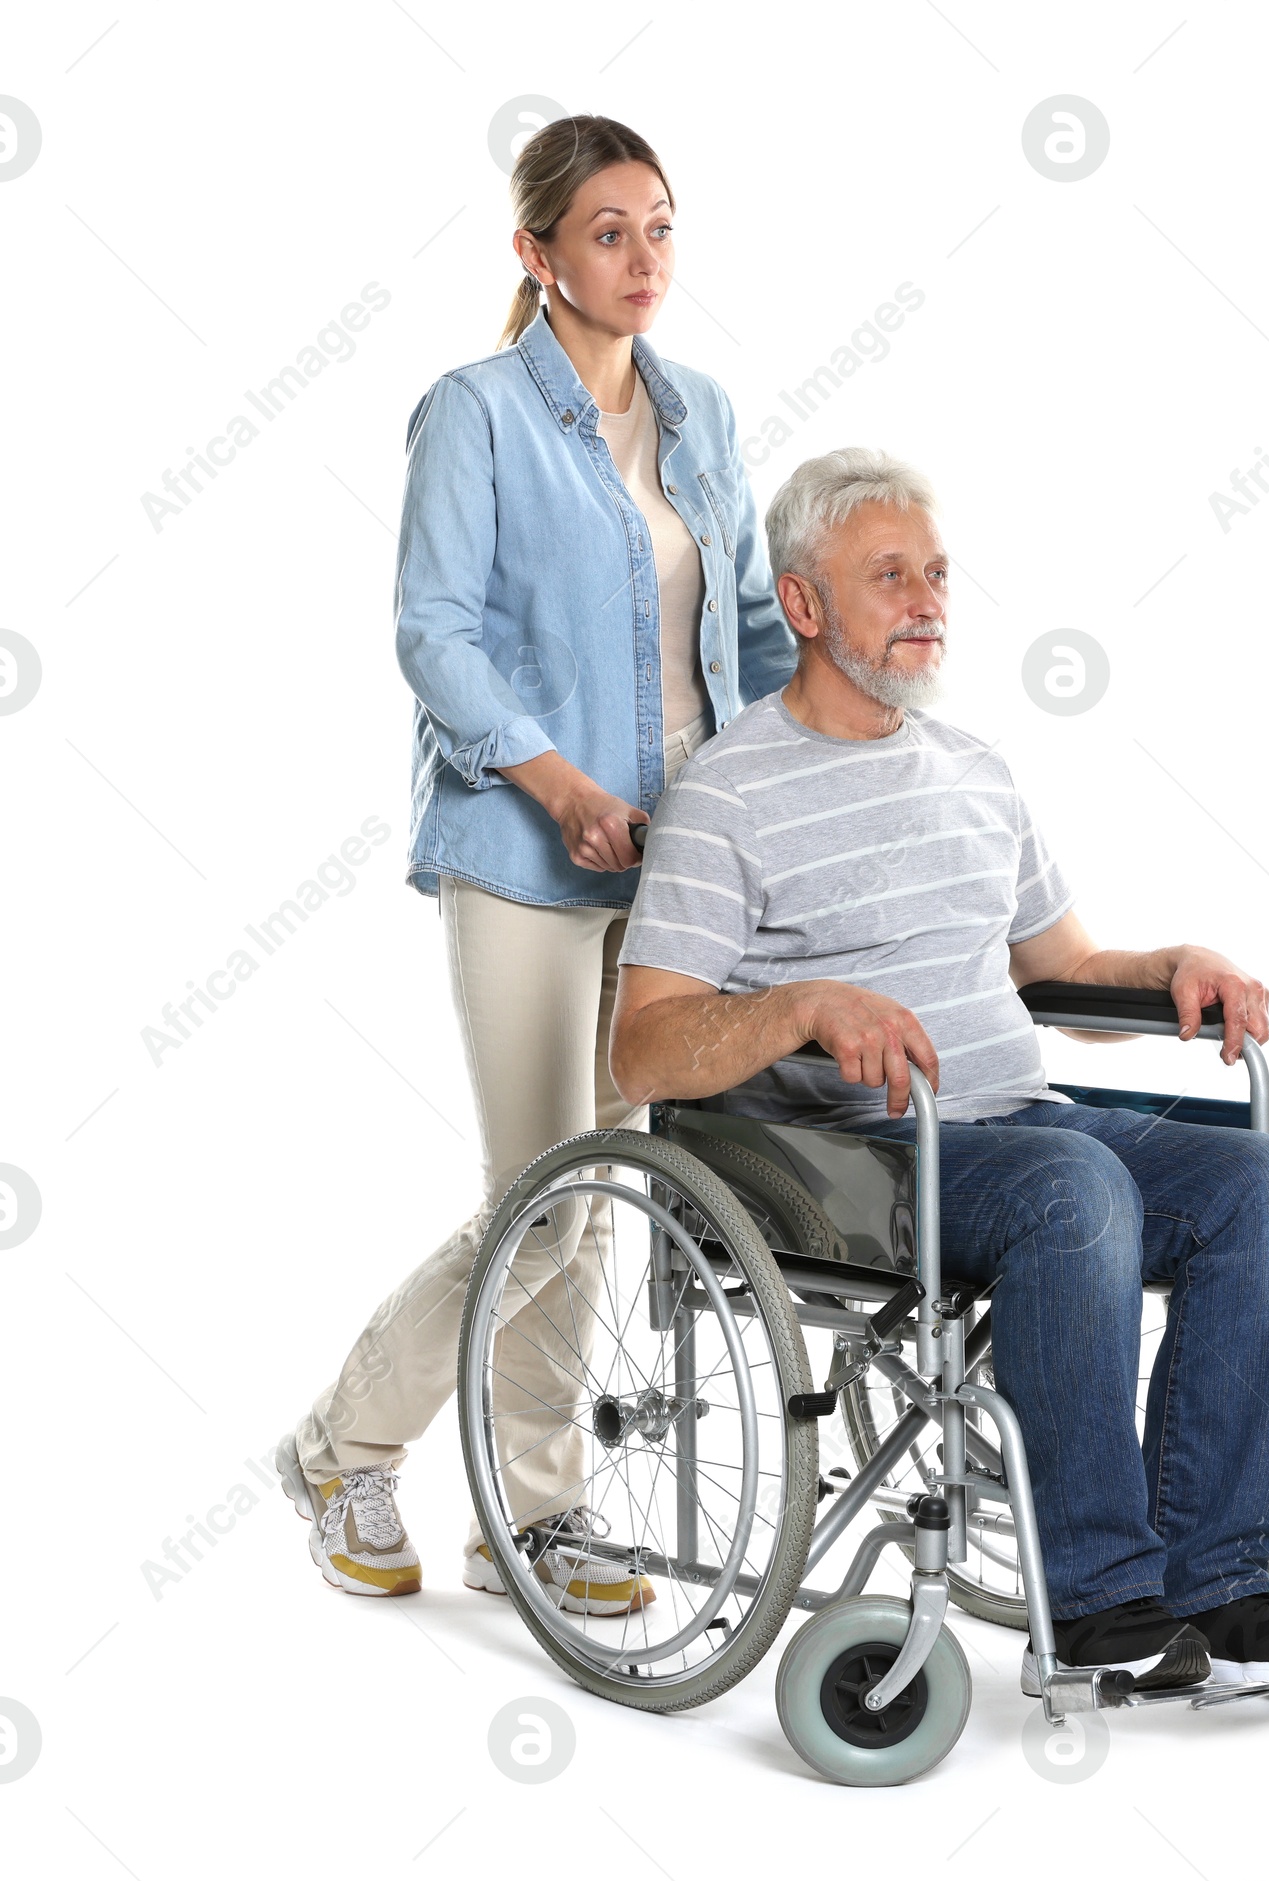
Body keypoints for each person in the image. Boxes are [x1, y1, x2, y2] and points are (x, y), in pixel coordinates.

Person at [608, 447, 1269, 1689]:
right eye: (889, 576)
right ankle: (1102, 1602)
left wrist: (1170, 965)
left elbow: (1058, 968)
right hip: (853, 1157)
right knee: (1075, 1190)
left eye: (938, 576)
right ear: (800, 605)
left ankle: (1218, 1583)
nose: (926, 603)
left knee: (1266, 1182)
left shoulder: (975, 770)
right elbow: (644, 1041)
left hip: (1023, 1118)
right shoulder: (728, 796)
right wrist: (799, 1006)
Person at [275, 116, 795, 1606]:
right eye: (610, 232)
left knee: (616, 1184)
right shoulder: (477, 412)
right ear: (538, 255)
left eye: (662, 226)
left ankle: (538, 1517)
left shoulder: (700, 414)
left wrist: (802, 785)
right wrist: (558, 781)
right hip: (523, 848)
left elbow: (751, 626)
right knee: (550, 1196)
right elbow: (433, 630)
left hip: (680, 861)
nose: (644, 259)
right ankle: (340, 1445)